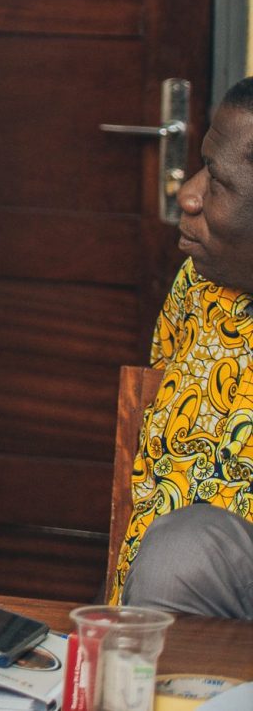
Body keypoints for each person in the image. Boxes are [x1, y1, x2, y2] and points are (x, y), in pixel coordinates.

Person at [111, 78, 253, 618]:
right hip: (158, 630)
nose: (186, 193)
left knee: (186, 552)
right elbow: (156, 474)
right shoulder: (198, 289)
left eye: (216, 181)